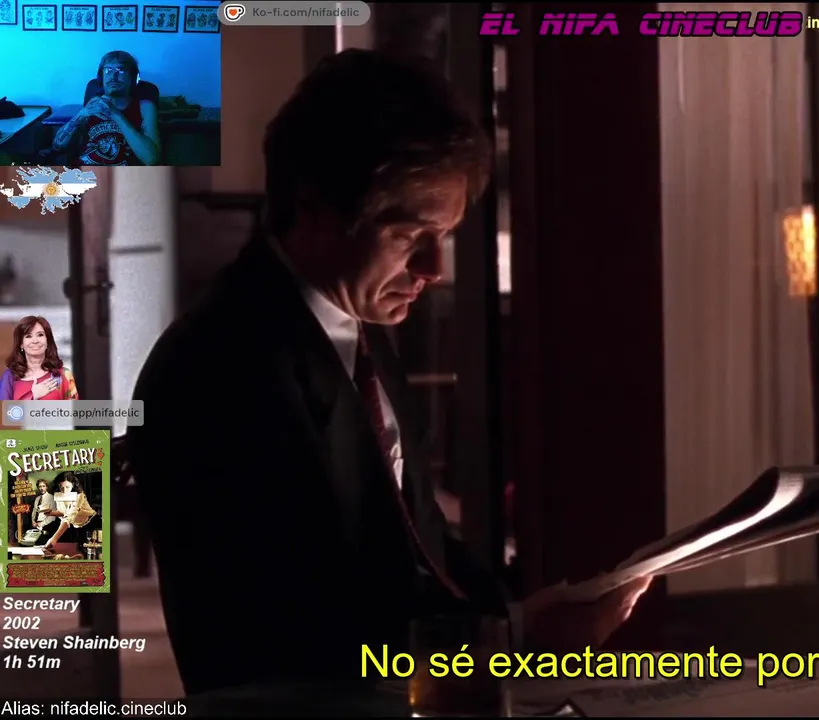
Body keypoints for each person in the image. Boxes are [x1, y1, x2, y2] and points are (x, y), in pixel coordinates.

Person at [129, 49, 650, 697]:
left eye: (445, 236)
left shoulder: (353, 327)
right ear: (313, 208)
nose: (434, 268)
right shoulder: (222, 370)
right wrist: (518, 641)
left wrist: (521, 616)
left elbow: (418, 543)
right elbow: (302, 633)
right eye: (410, 237)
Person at [50, 51, 162, 166]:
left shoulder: (144, 107)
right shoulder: (92, 104)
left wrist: (116, 115)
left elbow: (151, 160)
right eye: (108, 70)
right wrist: (81, 114)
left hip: (124, 174)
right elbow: (58, 146)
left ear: (133, 78)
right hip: (85, 172)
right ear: (101, 77)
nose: (113, 77)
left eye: (121, 71)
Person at [0, 316, 80, 401]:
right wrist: (33, 395)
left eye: (40, 335)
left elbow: (75, 408)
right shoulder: (10, 376)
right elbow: (4, 409)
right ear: (21, 344)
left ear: (47, 341)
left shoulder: (63, 374)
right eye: (28, 336)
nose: (35, 341)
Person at [38, 471, 97, 549]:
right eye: (61, 487)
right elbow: (63, 512)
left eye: (67, 487)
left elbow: (70, 515)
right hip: (74, 525)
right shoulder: (59, 495)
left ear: (73, 485)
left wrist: (54, 539)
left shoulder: (80, 495)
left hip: (89, 523)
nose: (64, 490)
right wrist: (51, 513)